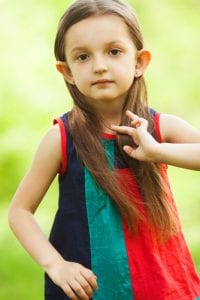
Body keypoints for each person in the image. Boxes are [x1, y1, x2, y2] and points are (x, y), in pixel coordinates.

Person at [8, 0, 200, 299]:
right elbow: (20, 211)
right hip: (91, 288)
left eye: (114, 51)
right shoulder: (61, 138)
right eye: (83, 56)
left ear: (139, 62)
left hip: (161, 285)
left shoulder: (160, 127)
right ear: (66, 71)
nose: (99, 66)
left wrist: (159, 152)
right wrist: (56, 265)